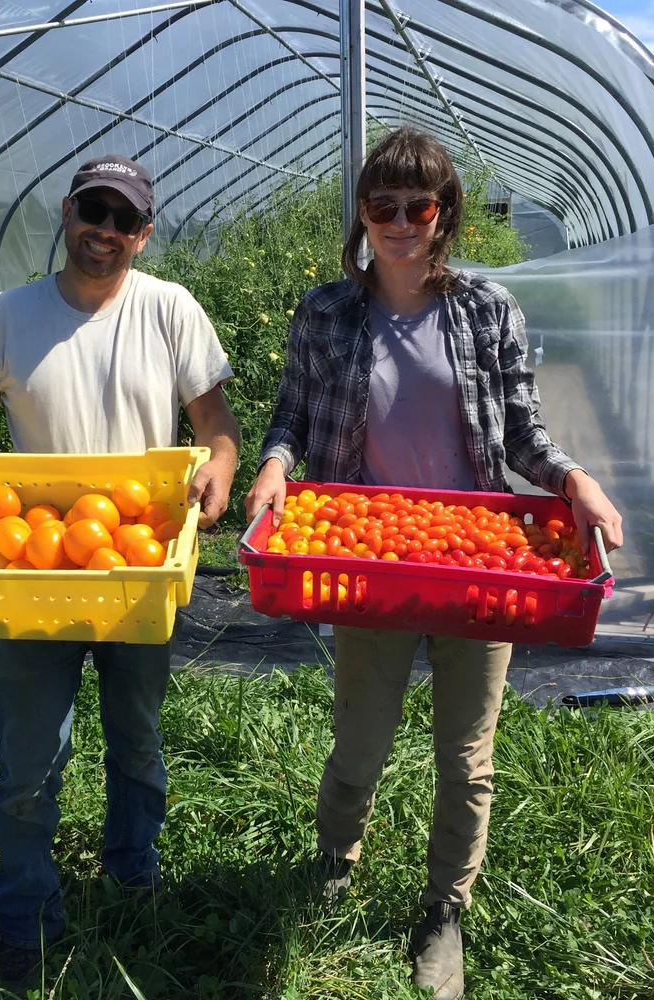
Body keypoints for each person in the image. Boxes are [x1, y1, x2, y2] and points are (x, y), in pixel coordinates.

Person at [245, 127, 623, 1000]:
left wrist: (576, 480)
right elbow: (290, 420)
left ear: (445, 213)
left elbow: (524, 434)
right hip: (368, 560)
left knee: (467, 757)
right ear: (364, 216)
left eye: (420, 206)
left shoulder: (488, 311)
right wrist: (273, 466)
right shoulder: (326, 312)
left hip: (479, 565)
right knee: (358, 748)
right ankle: (335, 868)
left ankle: (444, 913)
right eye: (383, 207)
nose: (402, 223)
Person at [0, 154, 239, 987]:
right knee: (29, 756)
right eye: (91, 211)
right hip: (31, 571)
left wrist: (220, 463)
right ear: (67, 211)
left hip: (139, 573)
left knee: (137, 741)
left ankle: (132, 880)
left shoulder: (170, 310)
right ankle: (25, 913)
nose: (103, 231)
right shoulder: (9, 315)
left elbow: (215, 421)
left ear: (143, 234)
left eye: (122, 220)